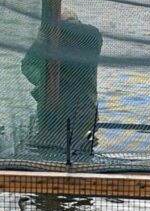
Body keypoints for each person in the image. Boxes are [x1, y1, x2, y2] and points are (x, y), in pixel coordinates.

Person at [20, 8, 103, 159]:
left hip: (60, 112)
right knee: (80, 155)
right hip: (83, 112)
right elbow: (28, 65)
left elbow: (27, 65)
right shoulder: (92, 38)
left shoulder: (59, 37)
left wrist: (46, 33)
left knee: (51, 156)